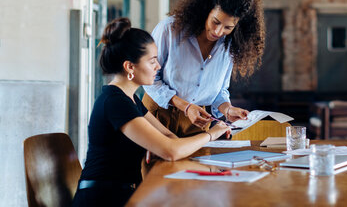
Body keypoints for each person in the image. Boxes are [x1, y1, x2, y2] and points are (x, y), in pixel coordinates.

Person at [72, 17, 230, 206]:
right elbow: (170, 151)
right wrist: (212, 134)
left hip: (125, 194)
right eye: (152, 61)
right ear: (130, 66)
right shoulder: (115, 102)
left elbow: (169, 137)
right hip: (103, 199)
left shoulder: (131, 99)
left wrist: (163, 147)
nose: (158, 66)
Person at [142, 0, 265, 137]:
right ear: (206, 10)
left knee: (195, 163)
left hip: (198, 122)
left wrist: (227, 109)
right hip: (157, 115)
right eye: (215, 21)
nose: (218, 31)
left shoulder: (230, 45)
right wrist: (185, 106)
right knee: (153, 163)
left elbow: (219, 90)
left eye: (228, 27)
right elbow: (149, 79)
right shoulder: (169, 30)